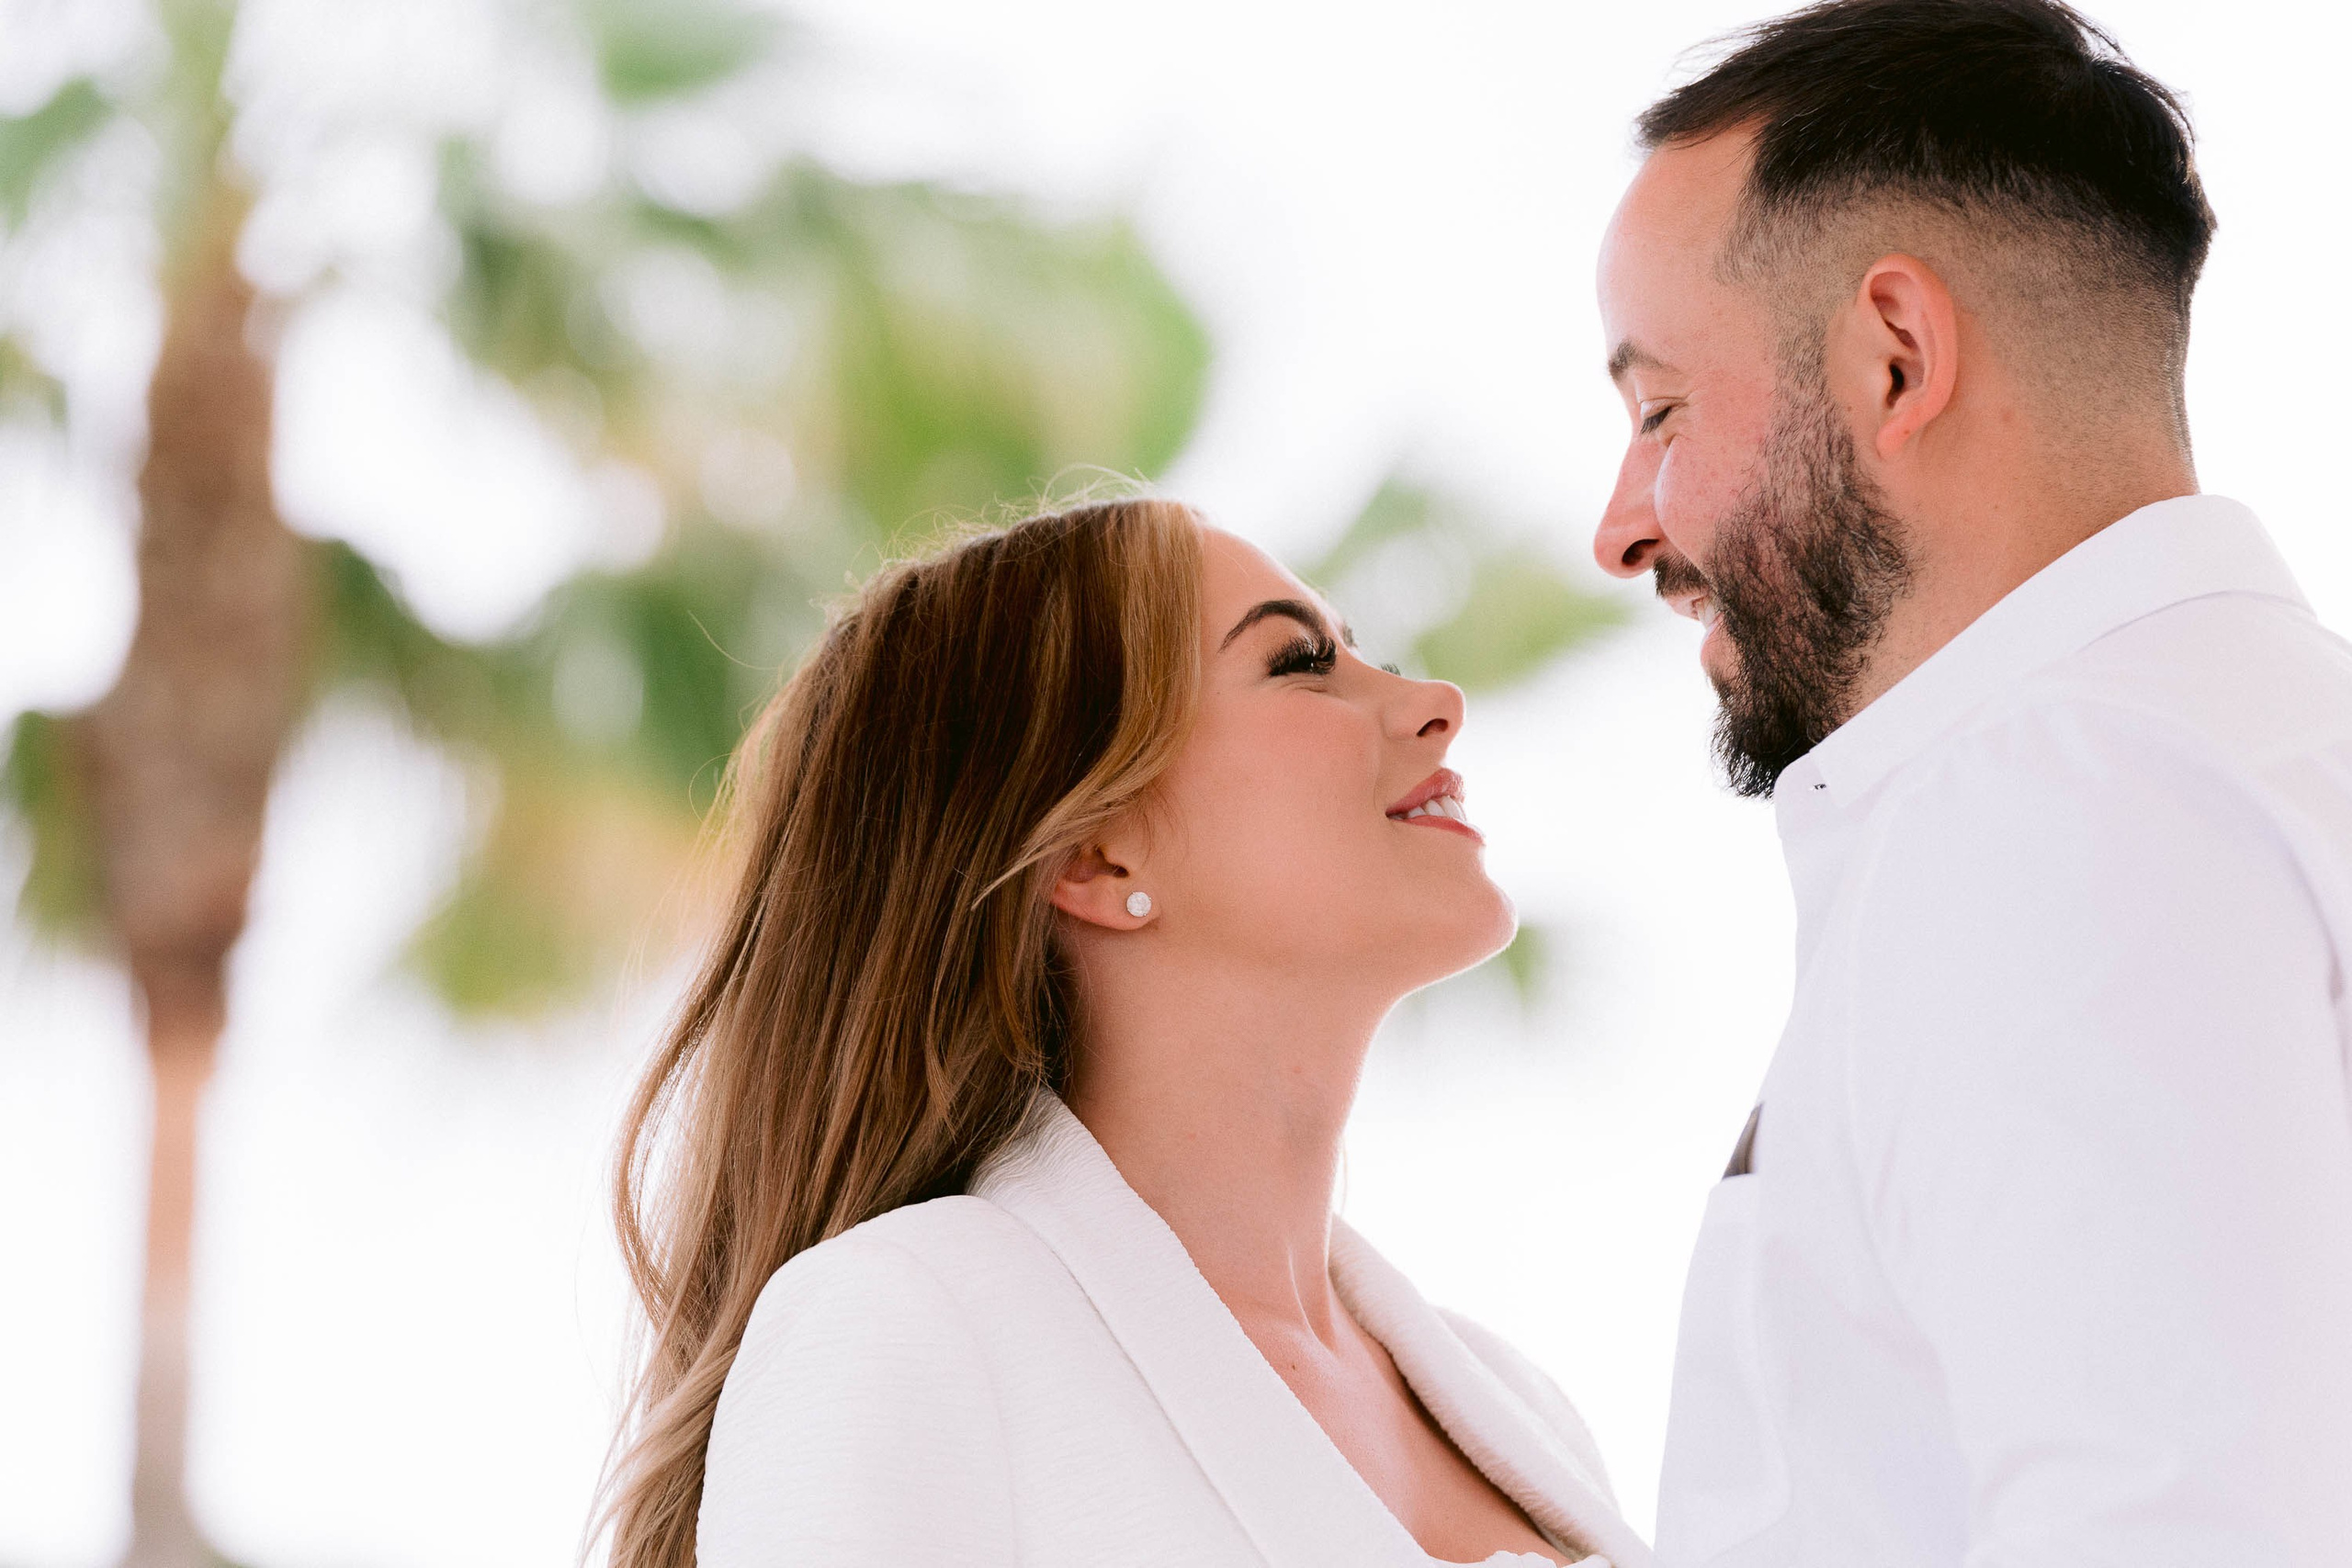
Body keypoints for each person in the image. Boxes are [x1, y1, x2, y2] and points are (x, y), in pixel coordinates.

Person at [1591, 1, 2352, 1563]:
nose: (1622, 524)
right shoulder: (2250, 749)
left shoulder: (2054, 801)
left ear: (1895, 353)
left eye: (1662, 408)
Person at [590, 499, 1653, 1568]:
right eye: (1297, 663)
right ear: (1094, 858)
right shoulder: (909, 1324)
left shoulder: (1524, 1414)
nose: (1436, 704)